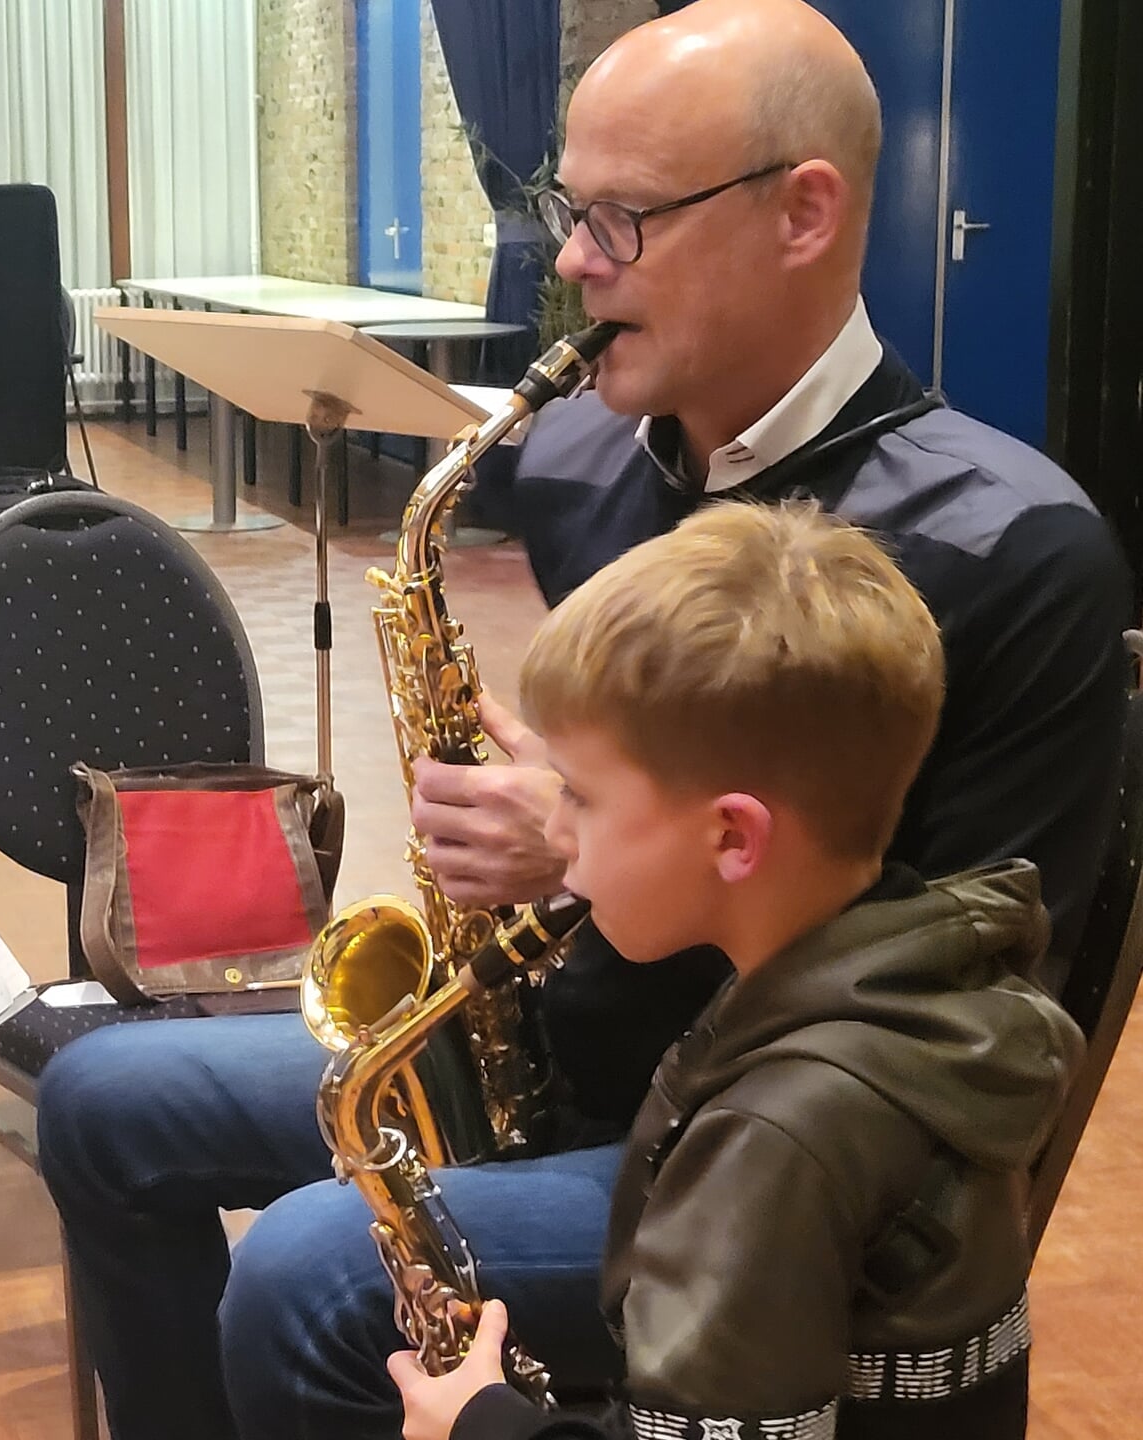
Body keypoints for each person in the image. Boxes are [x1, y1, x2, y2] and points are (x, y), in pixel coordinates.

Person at [34, 3, 1131, 1437]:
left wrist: (583, 843)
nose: (565, 262)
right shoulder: (580, 471)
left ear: (804, 214)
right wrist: (550, 798)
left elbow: (986, 1007)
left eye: (620, 219)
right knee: (103, 1101)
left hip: (765, 1137)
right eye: (567, 207)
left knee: (307, 1274)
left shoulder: (1017, 551)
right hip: (552, 1042)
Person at [388, 500, 1078, 1440]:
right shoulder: (917, 988)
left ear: (731, 835)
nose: (551, 832)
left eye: (581, 799)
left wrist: (482, 1425)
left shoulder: (779, 1131)